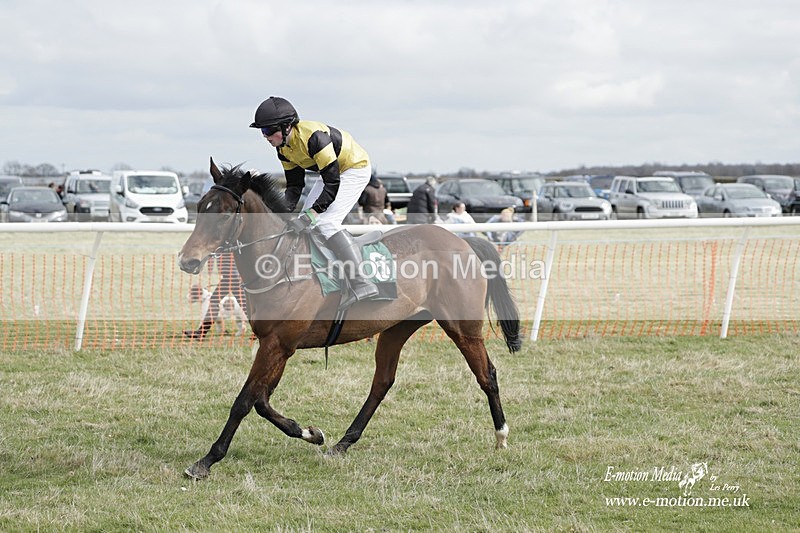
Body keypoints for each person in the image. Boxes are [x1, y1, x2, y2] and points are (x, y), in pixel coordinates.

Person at [250, 96, 378, 305]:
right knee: (305, 222)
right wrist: (282, 213)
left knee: (326, 223)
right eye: (262, 131)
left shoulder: (315, 139)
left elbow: (332, 184)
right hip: (331, 174)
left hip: (354, 168)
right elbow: (294, 186)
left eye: (268, 130)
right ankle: (324, 274)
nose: (266, 136)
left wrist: (312, 214)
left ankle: (362, 282)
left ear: (286, 126)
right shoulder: (283, 149)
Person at [184, 253, 247, 339]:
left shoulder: (227, 248)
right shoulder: (224, 249)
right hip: (230, 277)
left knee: (216, 301)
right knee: (244, 304)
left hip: (231, 277)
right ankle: (201, 333)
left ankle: (201, 333)